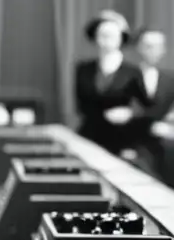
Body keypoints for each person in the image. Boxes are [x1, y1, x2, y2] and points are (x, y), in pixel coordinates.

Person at [74, 10, 139, 154]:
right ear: (95, 38)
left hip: (123, 139)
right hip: (89, 137)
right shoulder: (83, 69)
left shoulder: (133, 72)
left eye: (111, 35)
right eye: (102, 35)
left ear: (121, 38)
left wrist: (131, 113)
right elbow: (80, 105)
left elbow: (144, 106)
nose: (106, 40)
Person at [123, 29, 174, 178]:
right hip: (131, 145)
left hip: (163, 151)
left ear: (164, 49)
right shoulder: (124, 76)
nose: (153, 51)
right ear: (138, 47)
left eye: (158, 46)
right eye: (148, 45)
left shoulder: (170, 80)